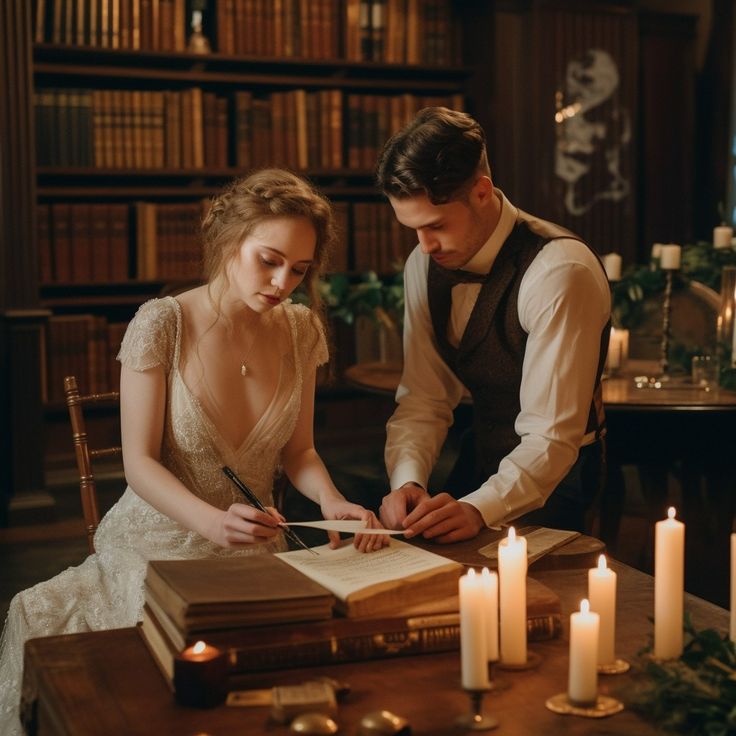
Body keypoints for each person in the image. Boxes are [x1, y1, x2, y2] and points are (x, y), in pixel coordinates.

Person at [0, 168, 384, 735]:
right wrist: (210, 521)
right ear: (229, 244)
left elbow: (299, 452)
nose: (283, 283)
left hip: (255, 547)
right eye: (269, 259)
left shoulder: (301, 329)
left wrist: (331, 499)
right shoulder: (163, 323)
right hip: (158, 540)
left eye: (300, 270)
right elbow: (138, 464)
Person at [376, 107, 611, 543]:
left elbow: (552, 435)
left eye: (436, 226)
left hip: (559, 481)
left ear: (482, 192)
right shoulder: (421, 264)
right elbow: (424, 400)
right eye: (411, 229)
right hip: (478, 461)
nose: (424, 247)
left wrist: (480, 507)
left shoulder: (559, 271)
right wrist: (407, 482)